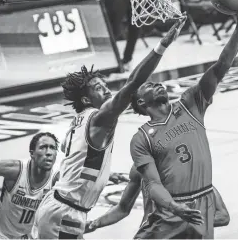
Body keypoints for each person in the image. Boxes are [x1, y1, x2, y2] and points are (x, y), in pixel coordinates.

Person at [31, 17, 189, 239]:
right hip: (65, 212)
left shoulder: (78, 122)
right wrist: (162, 46)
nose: (106, 89)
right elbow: (133, 83)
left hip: (60, 208)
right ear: (86, 100)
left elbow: (66, 169)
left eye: (104, 84)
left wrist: (103, 174)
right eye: (98, 88)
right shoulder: (99, 118)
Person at [127, 5, 238, 239]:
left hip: (202, 201)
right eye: (149, 85)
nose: (157, 83)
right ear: (141, 102)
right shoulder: (141, 138)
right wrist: (174, 207)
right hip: (170, 212)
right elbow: (152, 184)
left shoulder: (190, 104)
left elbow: (221, 66)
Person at [85, 165, 230, 234]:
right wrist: (95, 224)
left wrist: (177, 223)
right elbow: (123, 208)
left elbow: (222, 217)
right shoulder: (139, 168)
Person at [0, 132, 59, 239]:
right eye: (43, 148)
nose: (48, 152)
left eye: (52, 148)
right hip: (2, 235)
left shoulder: (58, 180)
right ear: (32, 154)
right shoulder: (15, 170)